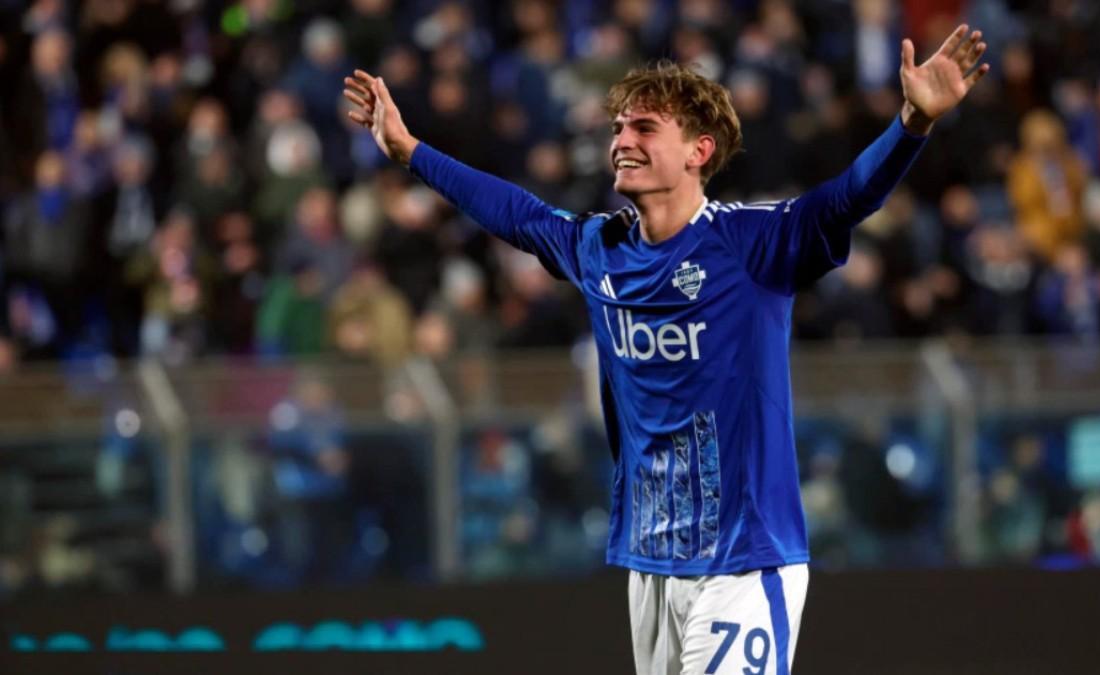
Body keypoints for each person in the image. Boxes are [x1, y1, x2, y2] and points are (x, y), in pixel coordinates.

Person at [344, 24, 989, 675]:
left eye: (645, 128)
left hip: (744, 559)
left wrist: (911, 124)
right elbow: (516, 211)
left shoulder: (750, 244)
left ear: (698, 151)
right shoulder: (599, 248)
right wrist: (410, 151)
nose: (622, 141)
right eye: (619, 128)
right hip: (651, 563)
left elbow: (845, 199)